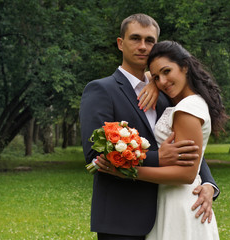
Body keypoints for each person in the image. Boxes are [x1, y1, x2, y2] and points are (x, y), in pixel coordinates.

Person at [80, 14, 219, 239]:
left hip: (168, 215)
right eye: (135, 38)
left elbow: (187, 148)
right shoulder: (101, 90)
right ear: (120, 43)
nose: (143, 46)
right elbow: (95, 155)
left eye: (149, 40)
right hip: (122, 219)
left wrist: (210, 184)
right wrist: (158, 158)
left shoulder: (167, 94)